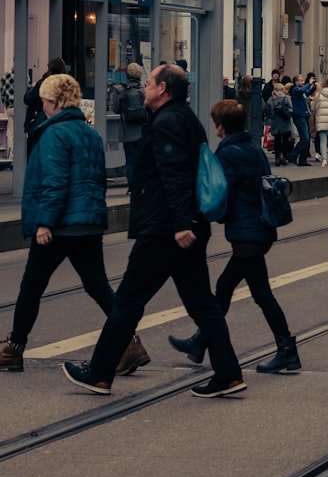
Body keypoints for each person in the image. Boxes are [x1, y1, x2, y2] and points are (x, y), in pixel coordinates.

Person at [63, 63, 245, 398]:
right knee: (202, 304)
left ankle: (101, 373)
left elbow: (174, 176)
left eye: (149, 84)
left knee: (128, 300)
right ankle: (229, 373)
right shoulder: (184, 119)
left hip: (165, 230)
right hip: (181, 227)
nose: (145, 88)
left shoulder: (168, 122)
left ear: (162, 89)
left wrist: (179, 224)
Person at [0, 74, 148, 375]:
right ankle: (131, 341)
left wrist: (44, 222)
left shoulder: (54, 134)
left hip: (61, 225)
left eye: (44, 99)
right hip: (88, 222)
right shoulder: (89, 133)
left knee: (31, 286)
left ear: (53, 102)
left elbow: (55, 182)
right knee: (98, 286)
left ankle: (14, 348)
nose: (41, 104)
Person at [167, 100, 300, 374]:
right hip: (256, 229)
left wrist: (206, 214)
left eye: (215, 122)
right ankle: (199, 342)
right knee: (225, 286)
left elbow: (220, 194)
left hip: (247, 234)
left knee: (261, 295)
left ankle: (287, 349)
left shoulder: (229, 153)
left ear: (221, 126)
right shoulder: (252, 148)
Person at [23, 57, 66, 156]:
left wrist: (32, 88)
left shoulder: (43, 83)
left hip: (39, 121)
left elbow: (28, 99)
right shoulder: (65, 85)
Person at [113, 62, 147, 187]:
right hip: (141, 130)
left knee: (130, 160)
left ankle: (132, 186)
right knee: (141, 159)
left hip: (126, 130)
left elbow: (116, 109)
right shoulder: (144, 90)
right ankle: (140, 184)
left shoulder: (120, 90)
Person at [289, 74, 316, 166]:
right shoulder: (295, 89)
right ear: (296, 82)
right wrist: (309, 84)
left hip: (304, 115)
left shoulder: (301, 91)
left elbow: (307, 92)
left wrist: (313, 87)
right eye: (300, 80)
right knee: (305, 138)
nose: (302, 82)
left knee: (306, 139)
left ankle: (303, 160)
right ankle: (292, 155)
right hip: (299, 115)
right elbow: (302, 90)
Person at [267, 83, 294, 167]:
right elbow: (291, 109)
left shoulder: (270, 100)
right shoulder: (286, 98)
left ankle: (277, 158)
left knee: (277, 141)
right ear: (282, 89)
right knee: (285, 141)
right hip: (285, 122)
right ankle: (284, 157)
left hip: (275, 123)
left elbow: (269, 113)